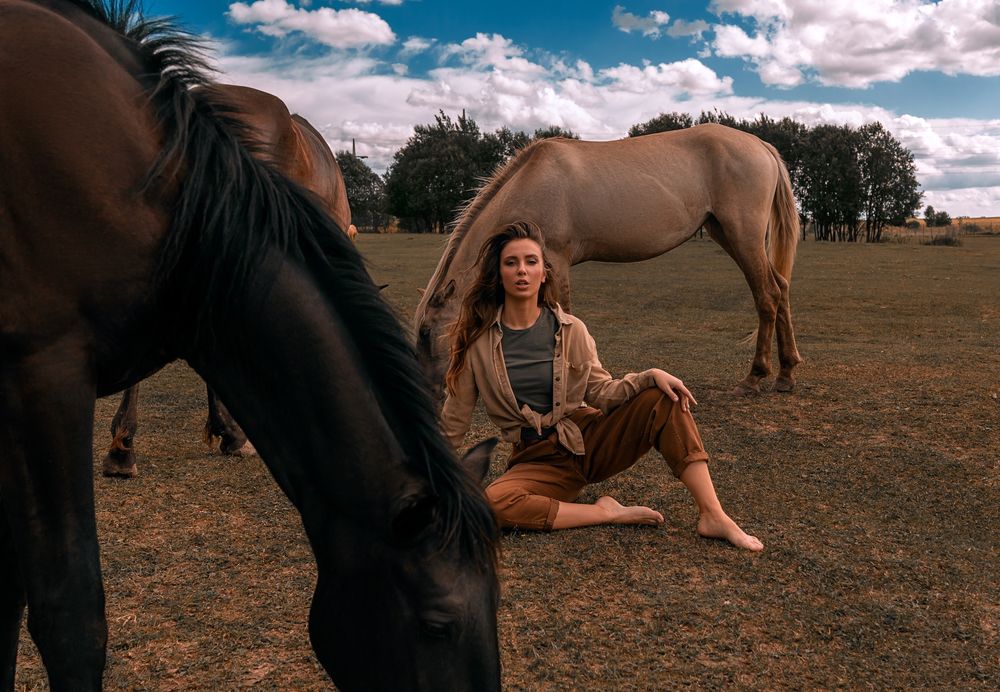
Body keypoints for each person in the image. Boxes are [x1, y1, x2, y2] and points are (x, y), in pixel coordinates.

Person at [440, 221, 763, 551]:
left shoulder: (571, 330)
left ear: (544, 273)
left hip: (587, 439)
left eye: (531, 261)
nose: (522, 270)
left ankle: (713, 515)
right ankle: (603, 512)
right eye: (511, 263)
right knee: (494, 503)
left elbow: (601, 391)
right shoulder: (476, 345)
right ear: (499, 273)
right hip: (536, 460)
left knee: (661, 398)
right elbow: (454, 423)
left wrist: (649, 376)